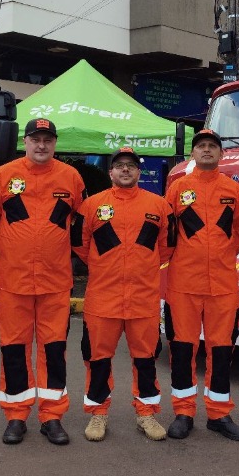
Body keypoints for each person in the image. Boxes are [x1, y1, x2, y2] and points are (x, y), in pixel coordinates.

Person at [0, 118, 86, 445]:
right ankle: (15, 415)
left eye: (47, 139)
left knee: (54, 351)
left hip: (56, 283)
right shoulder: (2, 177)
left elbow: (80, 224)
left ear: (55, 143)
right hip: (14, 282)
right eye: (35, 139)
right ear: (24, 141)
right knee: (14, 350)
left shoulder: (71, 178)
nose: (41, 145)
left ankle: (52, 416)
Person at [71, 147, 175, 442]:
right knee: (98, 359)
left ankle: (146, 413)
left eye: (131, 166)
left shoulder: (159, 205)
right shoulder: (92, 205)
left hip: (143, 298)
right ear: (111, 172)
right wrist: (106, 265)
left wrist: (143, 265)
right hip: (103, 298)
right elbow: (80, 243)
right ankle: (98, 415)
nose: (125, 170)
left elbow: (167, 246)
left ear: (139, 172)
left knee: (145, 358)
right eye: (120, 166)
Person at [163, 129, 239, 441]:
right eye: (201, 146)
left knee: (222, 351)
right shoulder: (177, 189)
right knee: (183, 349)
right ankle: (183, 412)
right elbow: (166, 231)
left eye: (213, 146)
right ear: (193, 154)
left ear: (221, 154)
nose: (207, 150)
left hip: (223, 285)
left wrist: (220, 253)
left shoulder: (233, 191)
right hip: (183, 284)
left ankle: (219, 414)